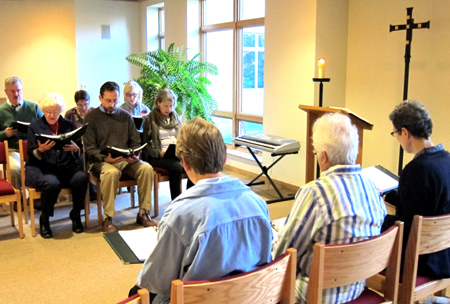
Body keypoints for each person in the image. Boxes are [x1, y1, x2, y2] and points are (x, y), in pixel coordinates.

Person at [132, 117, 273, 304]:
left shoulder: (179, 215)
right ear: (224, 157)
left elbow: (156, 281)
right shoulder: (258, 204)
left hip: (198, 299)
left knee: (136, 291)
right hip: (250, 297)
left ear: (184, 162)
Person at [272, 113, 387, 304]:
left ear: (323, 157)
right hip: (356, 287)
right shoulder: (372, 188)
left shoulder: (315, 192)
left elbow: (283, 255)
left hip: (316, 294)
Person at [384, 100, 450, 283]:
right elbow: (427, 206)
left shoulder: (415, 169)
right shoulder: (447, 160)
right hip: (444, 255)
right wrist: (392, 197)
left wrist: (381, 216)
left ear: (405, 132)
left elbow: (407, 226)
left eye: (395, 133)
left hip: (420, 261)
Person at [83, 81, 155, 233]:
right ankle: (107, 218)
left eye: (115, 100)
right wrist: (104, 158)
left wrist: (134, 154)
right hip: (101, 161)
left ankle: (143, 213)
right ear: (100, 98)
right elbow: (89, 148)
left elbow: (135, 141)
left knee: (146, 168)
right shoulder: (91, 118)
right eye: (108, 100)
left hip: (124, 159)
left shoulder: (125, 116)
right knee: (111, 172)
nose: (112, 104)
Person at [25, 93, 88, 239]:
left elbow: (78, 148)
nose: (52, 115)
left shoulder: (68, 124)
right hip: (42, 167)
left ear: (60, 110)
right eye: (48, 111)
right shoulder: (35, 126)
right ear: (42, 110)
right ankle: (45, 219)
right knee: (51, 183)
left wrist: (75, 149)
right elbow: (30, 152)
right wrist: (40, 150)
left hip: (65, 166)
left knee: (81, 178)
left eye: (55, 111)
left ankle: (76, 215)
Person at [142, 89, 193, 200]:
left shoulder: (175, 118)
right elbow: (145, 144)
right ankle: (176, 201)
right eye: (165, 106)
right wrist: (158, 152)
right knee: (176, 167)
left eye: (171, 106)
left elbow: (181, 138)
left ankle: (189, 199)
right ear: (158, 103)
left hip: (175, 152)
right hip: (157, 155)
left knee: (193, 164)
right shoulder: (150, 119)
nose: (168, 109)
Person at [0, 76, 43, 192]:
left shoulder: (33, 107)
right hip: (13, 149)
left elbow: (44, 126)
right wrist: (4, 134)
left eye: (18, 91)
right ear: (6, 92)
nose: (16, 94)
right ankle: (20, 200)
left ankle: (39, 197)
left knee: (45, 164)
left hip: (33, 147)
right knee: (15, 169)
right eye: (12, 91)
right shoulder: (1, 111)